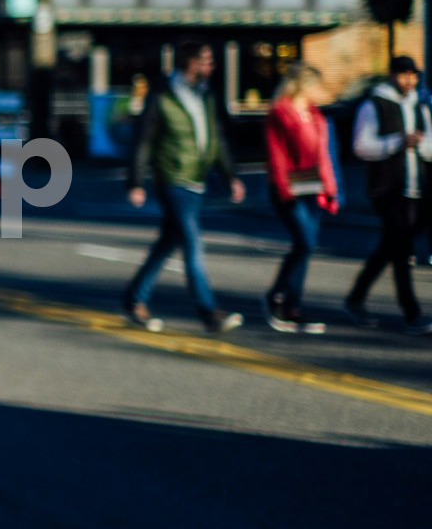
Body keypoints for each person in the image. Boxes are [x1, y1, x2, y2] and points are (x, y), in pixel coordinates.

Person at [124, 40, 246, 334]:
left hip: (197, 180)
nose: (210, 66)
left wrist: (231, 177)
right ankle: (209, 312)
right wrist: (136, 182)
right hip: (173, 179)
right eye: (204, 60)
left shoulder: (206, 95)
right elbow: (144, 140)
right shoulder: (163, 94)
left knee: (167, 243)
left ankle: (134, 298)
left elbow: (217, 140)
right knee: (192, 243)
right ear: (189, 62)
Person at [344, 55, 432, 334]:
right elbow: (361, 146)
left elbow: (430, 145)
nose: (409, 81)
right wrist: (398, 141)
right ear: (392, 76)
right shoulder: (374, 105)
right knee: (402, 245)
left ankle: (355, 298)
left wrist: (418, 144)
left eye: (413, 76)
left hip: (416, 186)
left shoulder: (420, 106)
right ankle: (411, 313)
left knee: (392, 244)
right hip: (386, 187)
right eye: (404, 75)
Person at [263, 64, 338, 334]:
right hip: (288, 190)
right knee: (304, 243)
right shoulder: (280, 114)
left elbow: (324, 158)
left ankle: (292, 307)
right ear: (304, 86)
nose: (321, 91)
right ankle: (276, 296)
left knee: (305, 247)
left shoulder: (317, 117)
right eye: (316, 86)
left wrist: (331, 191)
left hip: (312, 189)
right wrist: (284, 191)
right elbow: (277, 155)